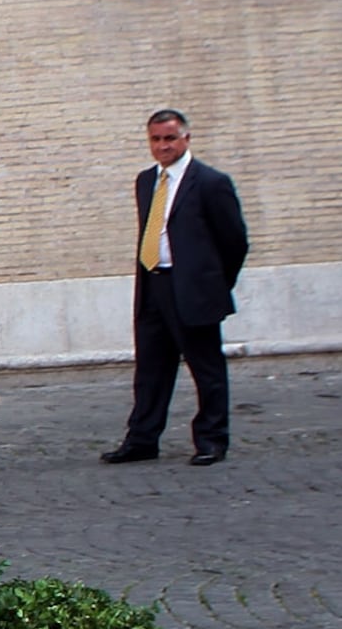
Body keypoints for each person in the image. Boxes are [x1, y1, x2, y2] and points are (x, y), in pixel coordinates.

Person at [104, 107, 250, 469]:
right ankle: (141, 439)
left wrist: (213, 284)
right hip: (153, 286)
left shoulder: (211, 182)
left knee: (207, 370)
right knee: (151, 369)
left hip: (194, 290)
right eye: (155, 139)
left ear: (186, 138)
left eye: (170, 138)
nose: (162, 146)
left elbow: (234, 241)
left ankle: (211, 440)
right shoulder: (145, 181)